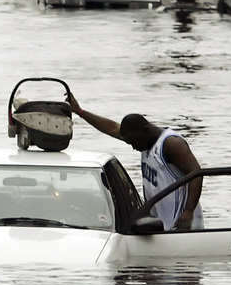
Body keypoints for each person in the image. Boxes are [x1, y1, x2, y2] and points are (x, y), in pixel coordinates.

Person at [67, 93, 203, 231]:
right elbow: (111, 128)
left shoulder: (171, 144)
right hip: (161, 225)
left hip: (183, 224)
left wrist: (188, 211)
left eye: (133, 142)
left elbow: (196, 173)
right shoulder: (142, 139)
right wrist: (80, 112)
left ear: (145, 130)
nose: (133, 147)